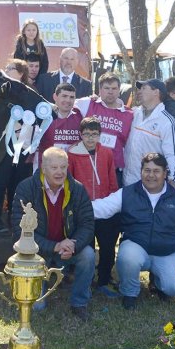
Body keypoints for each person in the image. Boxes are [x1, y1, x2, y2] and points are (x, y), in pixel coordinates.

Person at [92, 153, 175, 310]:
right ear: (141, 172)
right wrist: (77, 207)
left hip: (167, 252)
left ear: (165, 173)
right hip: (137, 247)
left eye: (156, 171)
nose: (151, 175)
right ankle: (129, 292)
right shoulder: (127, 193)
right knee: (128, 256)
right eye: (147, 170)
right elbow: (102, 207)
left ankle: (159, 283)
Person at [11, 147, 96, 321]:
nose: (59, 172)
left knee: (87, 254)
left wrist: (74, 244)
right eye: (54, 167)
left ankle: (79, 302)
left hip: (67, 248)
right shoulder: (26, 188)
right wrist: (54, 246)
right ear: (43, 168)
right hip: (36, 252)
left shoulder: (77, 189)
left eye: (63, 167)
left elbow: (87, 224)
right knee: (37, 307)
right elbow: (20, 230)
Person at [67, 117, 120, 297]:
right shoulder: (72, 154)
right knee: (86, 248)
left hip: (105, 208)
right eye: (87, 134)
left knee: (107, 246)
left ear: (100, 135)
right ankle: (86, 281)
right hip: (84, 210)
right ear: (80, 135)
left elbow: (112, 178)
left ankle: (104, 279)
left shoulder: (106, 153)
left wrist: (113, 203)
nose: (90, 138)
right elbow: (70, 184)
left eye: (95, 134)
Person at [0, 59, 32, 239]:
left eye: (12, 68)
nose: (7, 70)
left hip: (23, 144)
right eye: (7, 67)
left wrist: (21, 130)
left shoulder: (29, 93)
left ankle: (17, 222)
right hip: (2, 145)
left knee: (18, 185)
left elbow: (33, 116)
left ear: (21, 74)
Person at [74, 72, 133, 187]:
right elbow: (64, 105)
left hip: (114, 170)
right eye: (106, 88)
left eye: (114, 88)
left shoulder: (129, 114)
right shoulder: (88, 103)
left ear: (119, 90)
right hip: (87, 167)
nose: (110, 91)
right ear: (100, 90)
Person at [123, 79, 175, 186]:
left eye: (144, 88)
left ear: (156, 92)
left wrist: (172, 182)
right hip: (126, 184)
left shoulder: (168, 122)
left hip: (150, 187)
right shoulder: (134, 113)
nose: (139, 91)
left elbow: (173, 156)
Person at [36, 83, 82, 166]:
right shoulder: (44, 116)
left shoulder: (80, 116)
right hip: (47, 170)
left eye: (72, 97)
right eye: (64, 96)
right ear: (55, 97)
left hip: (72, 169)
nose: (68, 100)